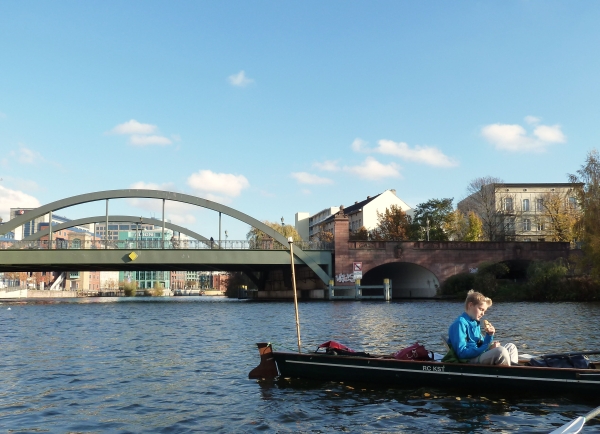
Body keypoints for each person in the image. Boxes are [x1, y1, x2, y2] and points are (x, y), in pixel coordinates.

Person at [446, 290, 518, 366]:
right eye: (481, 309)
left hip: (477, 355)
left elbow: (483, 344)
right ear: (470, 305)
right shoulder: (459, 323)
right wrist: (488, 348)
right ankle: (510, 373)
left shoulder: (474, 322)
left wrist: (489, 335)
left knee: (511, 347)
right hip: (468, 360)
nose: (483, 314)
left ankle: (512, 370)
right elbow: (462, 353)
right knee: (501, 351)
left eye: (484, 311)